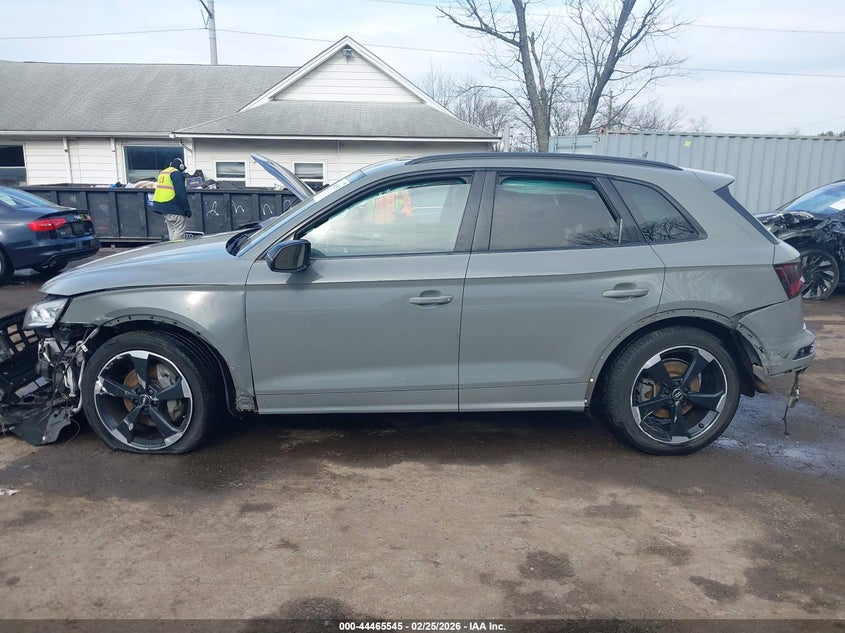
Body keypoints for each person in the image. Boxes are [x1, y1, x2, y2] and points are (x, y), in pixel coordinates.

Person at [152, 158, 192, 240]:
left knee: (172, 230)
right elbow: (181, 193)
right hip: (174, 207)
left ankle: (171, 246)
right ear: (180, 166)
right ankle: (177, 248)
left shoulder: (163, 173)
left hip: (163, 208)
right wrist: (187, 209)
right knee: (179, 230)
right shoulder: (176, 174)